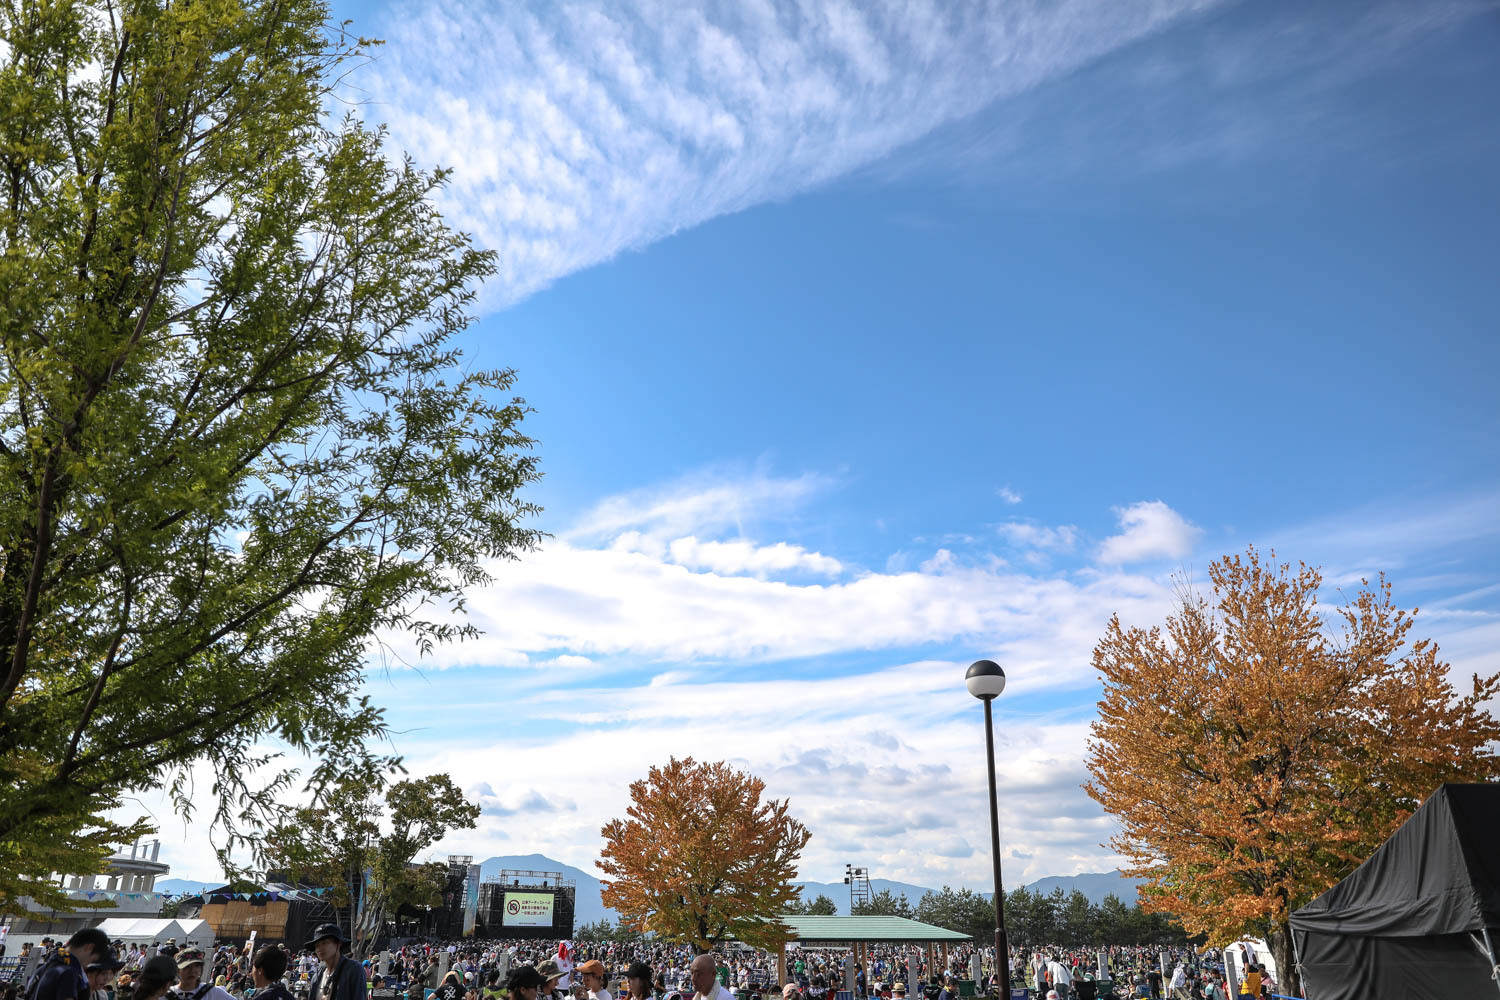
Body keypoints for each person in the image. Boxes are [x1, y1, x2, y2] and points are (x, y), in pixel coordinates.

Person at [33, 929, 111, 1000]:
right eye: (93, 959)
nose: (89, 963)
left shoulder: (46, 967)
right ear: (89, 947)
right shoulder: (68, 972)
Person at [304, 927, 363, 1000]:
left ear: (338, 944)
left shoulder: (353, 969)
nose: (320, 948)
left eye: (324, 943)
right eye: (317, 945)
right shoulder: (316, 976)